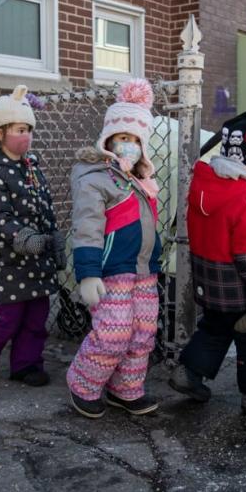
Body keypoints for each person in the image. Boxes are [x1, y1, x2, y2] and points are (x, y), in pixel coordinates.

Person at [170, 111, 246, 416]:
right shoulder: (245, 200)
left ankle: (187, 373)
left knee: (216, 327)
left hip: (208, 281)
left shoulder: (202, 187)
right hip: (236, 285)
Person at [67, 79, 162, 418]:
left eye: (136, 139)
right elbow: (88, 228)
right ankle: (84, 383)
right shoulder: (95, 178)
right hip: (112, 272)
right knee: (113, 334)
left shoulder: (141, 181)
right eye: (123, 138)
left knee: (142, 335)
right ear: (108, 139)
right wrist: (88, 273)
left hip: (144, 272)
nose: (129, 145)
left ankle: (126, 388)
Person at [0, 86, 65, 387]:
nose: (27, 136)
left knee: (37, 315)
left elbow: (43, 206)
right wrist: (23, 237)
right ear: (0, 133)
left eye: (29, 130)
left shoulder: (31, 166)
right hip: (9, 258)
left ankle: (26, 364)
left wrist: (52, 237)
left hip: (39, 256)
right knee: (8, 316)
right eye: (20, 129)